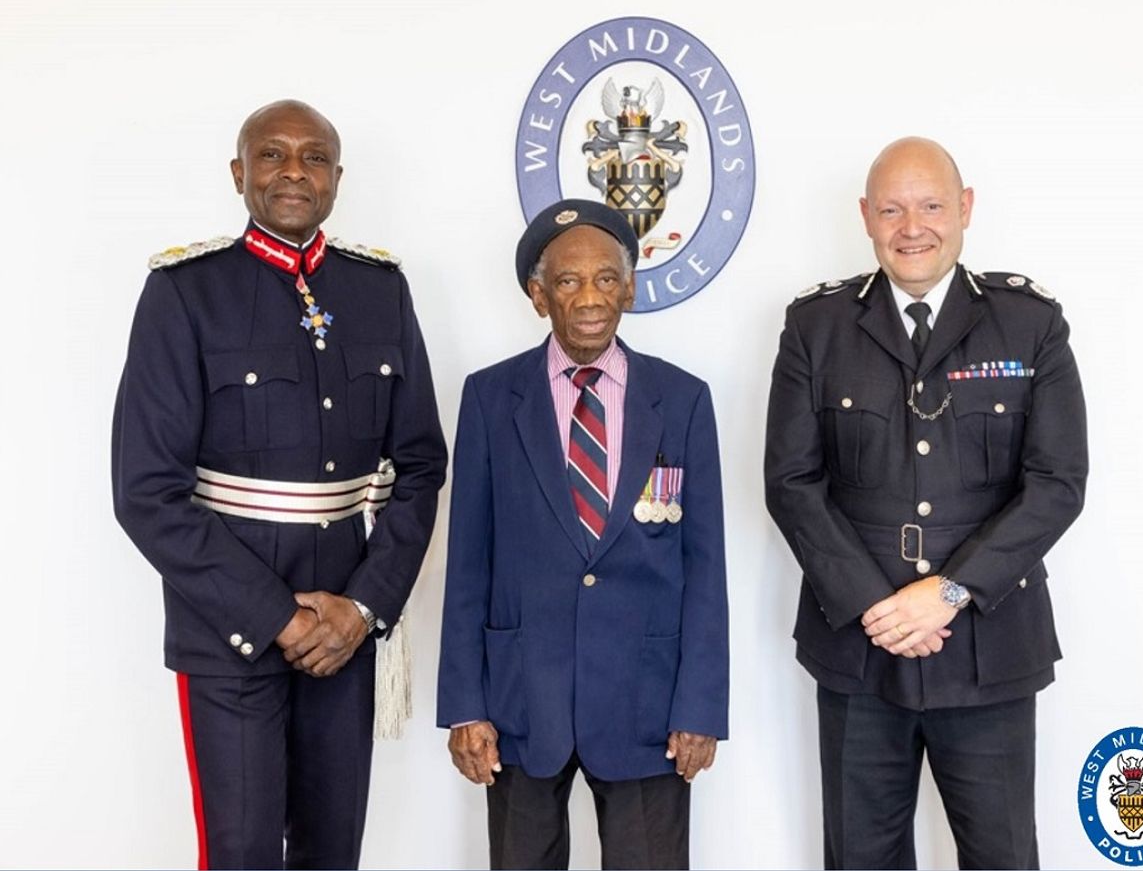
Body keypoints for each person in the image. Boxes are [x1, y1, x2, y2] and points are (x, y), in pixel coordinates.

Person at [111, 99, 447, 869]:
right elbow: (146, 490)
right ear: (239, 174)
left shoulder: (380, 289)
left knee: (333, 852)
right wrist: (274, 616)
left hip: (345, 629)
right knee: (243, 852)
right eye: (272, 155)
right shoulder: (185, 293)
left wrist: (363, 608)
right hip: (229, 633)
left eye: (313, 156)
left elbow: (421, 464)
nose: (294, 170)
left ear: (335, 178)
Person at [764, 138, 1088, 870]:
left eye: (932, 205)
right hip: (857, 651)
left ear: (966, 207)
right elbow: (791, 482)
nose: (912, 226)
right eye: (892, 209)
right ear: (866, 218)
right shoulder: (815, 328)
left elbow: (1058, 482)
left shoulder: (1030, 323)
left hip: (988, 648)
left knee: (1002, 856)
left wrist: (947, 592)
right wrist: (880, 608)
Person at [436, 199, 728, 870]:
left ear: (629, 287)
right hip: (519, 704)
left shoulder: (681, 400)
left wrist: (701, 705)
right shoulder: (489, 397)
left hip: (648, 707)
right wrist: (465, 705)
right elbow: (467, 566)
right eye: (568, 281)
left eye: (605, 278)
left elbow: (705, 567)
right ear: (539, 296)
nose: (589, 296)